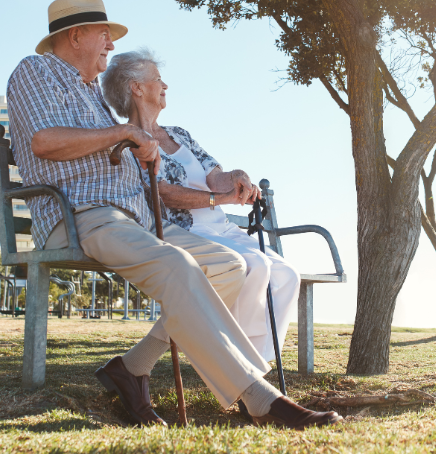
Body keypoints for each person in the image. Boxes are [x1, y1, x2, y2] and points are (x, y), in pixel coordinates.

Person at [6, 0, 341, 430]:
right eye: (104, 34)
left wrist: (140, 157)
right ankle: (261, 398)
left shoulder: (93, 95)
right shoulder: (35, 71)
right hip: (83, 214)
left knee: (227, 267)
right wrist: (125, 133)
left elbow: (117, 148)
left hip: (137, 220)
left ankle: (131, 368)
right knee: (180, 265)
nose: (110, 43)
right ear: (75, 36)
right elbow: (43, 142)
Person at [100, 49, 300, 364]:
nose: (165, 86)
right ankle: (238, 361)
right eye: (157, 79)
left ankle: (258, 361)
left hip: (221, 226)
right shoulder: (131, 142)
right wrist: (218, 199)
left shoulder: (180, 135)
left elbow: (215, 176)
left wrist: (236, 179)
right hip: (186, 231)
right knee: (256, 268)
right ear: (136, 88)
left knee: (287, 274)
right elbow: (162, 193)